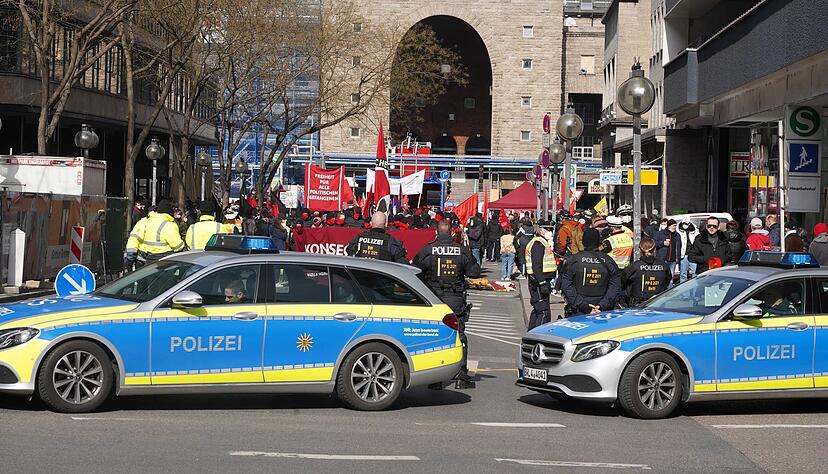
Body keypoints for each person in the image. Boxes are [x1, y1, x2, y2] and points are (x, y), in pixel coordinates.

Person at [413, 219, 481, 389]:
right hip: (455, 298)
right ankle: (461, 376)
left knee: (435, 336)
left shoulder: (428, 250)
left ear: (436, 233)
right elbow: (474, 272)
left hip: (434, 299)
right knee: (459, 336)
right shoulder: (461, 250)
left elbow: (415, 270)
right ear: (451, 233)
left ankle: (435, 379)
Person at [560, 228, 622, 316]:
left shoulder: (575, 260)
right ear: (599, 242)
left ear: (583, 242)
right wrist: (602, 305)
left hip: (579, 311)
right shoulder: (608, 261)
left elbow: (566, 286)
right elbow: (615, 286)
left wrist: (583, 305)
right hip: (602, 311)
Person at [124, 199, 185, 269]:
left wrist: (130, 256)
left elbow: (134, 238)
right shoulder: (169, 225)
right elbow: (178, 247)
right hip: (164, 261)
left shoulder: (145, 221)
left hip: (144, 259)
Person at [622, 238, 673, 307]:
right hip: (659, 302)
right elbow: (668, 280)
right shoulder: (663, 265)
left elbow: (623, 281)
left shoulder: (634, 266)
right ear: (654, 250)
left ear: (640, 250)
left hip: (638, 302)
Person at [525, 220, 557, 329]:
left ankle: (532, 334)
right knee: (543, 312)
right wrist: (542, 283)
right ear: (541, 229)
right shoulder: (538, 243)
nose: (550, 232)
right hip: (538, 282)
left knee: (537, 310)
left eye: (551, 229)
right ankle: (540, 336)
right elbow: (536, 265)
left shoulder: (542, 242)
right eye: (547, 229)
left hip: (539, 281)